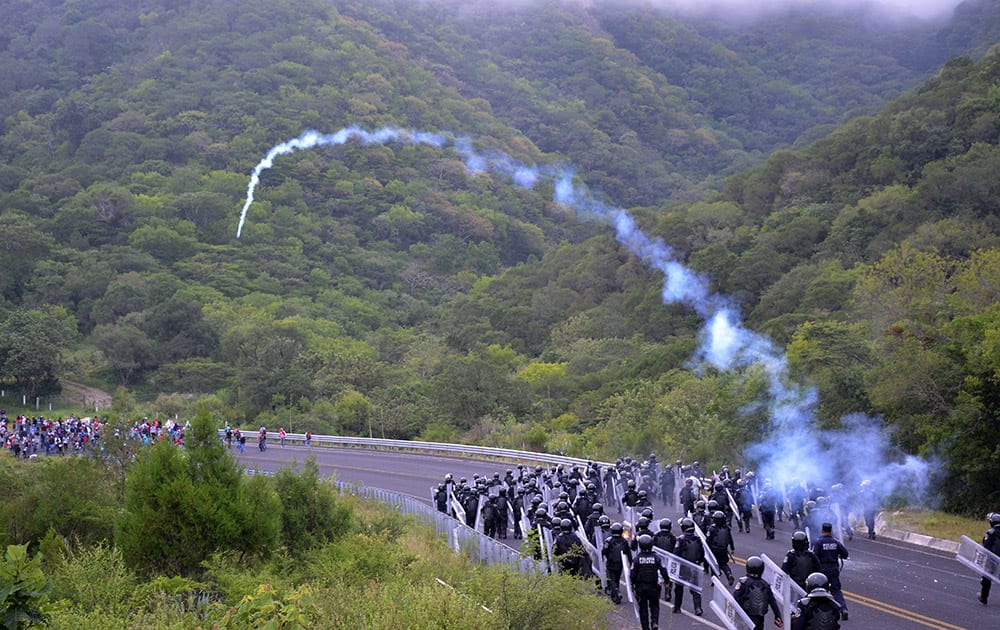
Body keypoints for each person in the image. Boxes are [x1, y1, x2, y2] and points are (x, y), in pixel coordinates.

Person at [811, 522, 849, 620]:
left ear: (822, 530)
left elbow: (814, 556)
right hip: (834, 569)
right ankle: (843, 609)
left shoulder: (818, 542)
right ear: (831, 531)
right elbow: (845, 554)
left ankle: (821, 612)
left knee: (819, 592)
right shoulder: (835, 542)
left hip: (822, 570)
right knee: (836, 591)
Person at [631, 534, 670, 630]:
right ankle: (655, 622)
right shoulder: (656, 557)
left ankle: (645, 627)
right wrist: (667, 581)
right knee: (655, 606)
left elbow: (632, 574)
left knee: (643, 609)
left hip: (641, 588)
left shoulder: (636, 559)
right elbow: (663, 570)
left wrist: (632, 585)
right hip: (653, 587)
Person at [734, 556, 783, 630]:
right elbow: (773, 602)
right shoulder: (765, 584)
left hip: (746, 616)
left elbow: (735, 597)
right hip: (760, 618)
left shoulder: (744, 582)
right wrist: (777, 616)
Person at [673, 518, 705, 616]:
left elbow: (675, 553)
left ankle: (677, 607)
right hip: (695, 566)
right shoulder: (698, 539)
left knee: (679, 587)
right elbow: (702, 553)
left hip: (683, 567)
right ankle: (698, 608)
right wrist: (698, 562)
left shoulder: (681, 539)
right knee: (695, 589)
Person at [602, 522, 632, 604]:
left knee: (612, 579)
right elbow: (628, 553)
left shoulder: (608, 541)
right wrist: (631, 563)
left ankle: (616, 591)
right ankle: (615, 595)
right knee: (617, 579)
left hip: (611, 563)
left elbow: (603, 551)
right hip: (620, 564)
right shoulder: (624, 541)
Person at [707, 510, 736, 585]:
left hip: (713, 550)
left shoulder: (712, 529)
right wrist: (732, 548)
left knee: (714, 564)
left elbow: (708, 540)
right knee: (724, 564)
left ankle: (715, 580)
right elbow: (730, 539)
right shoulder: (726, 528)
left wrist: (707, 549)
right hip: (723, 549)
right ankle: (729, 574)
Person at [979, 512, 1000, 605]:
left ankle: (983, 598)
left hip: (992, 559)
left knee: (986, 579)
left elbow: (986, 548)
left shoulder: (991, 533)